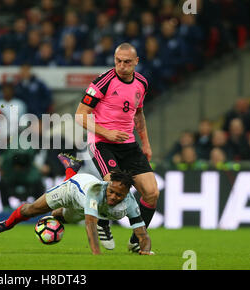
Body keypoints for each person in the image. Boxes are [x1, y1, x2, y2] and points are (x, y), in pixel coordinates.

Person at [75, 42, 159, 252]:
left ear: (136, 62)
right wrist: (107, 132)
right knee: (114, 186)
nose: (121, 66)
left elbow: (138, 114)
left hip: (128, 144)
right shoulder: (102, 82)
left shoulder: (142, 83)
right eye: (118, 61)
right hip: (102, 143)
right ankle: (103, 223)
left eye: (127, 62)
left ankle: (134, 241)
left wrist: (146, 143)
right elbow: (80, 115)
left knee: (152, 193)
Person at [0, 154, 153, 256]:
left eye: (119, 195)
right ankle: (5, 224)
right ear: (108, 186)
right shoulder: (95, 191)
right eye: (111, 192)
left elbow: (141, 232)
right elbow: (90, 227)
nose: (114, 196)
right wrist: (97, 255)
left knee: (58, 218)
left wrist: (146, 249)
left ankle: (72, 169)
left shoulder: (130, 203)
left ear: (127, 195)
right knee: (31, 210)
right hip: (72, 189)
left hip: (83, 205)